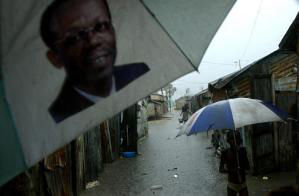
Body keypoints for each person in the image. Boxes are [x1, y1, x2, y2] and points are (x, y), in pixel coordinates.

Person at [40, 0, 150, 123]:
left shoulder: (140, 73)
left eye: (101, 26)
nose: (93, 41)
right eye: (75, 37)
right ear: (55, 58)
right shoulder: (61, 119)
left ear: (113, 31)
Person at [219, 130, 250, 196]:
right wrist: (232, 170)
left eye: (236, 138)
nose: (234, 141)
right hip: (231, 185)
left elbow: (248, 167)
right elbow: (221, 169)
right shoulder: (225, 153)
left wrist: (242, 169)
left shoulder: (243, 151)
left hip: (243, 184)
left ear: (239, 140)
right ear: (229, 141)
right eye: (232, 139)